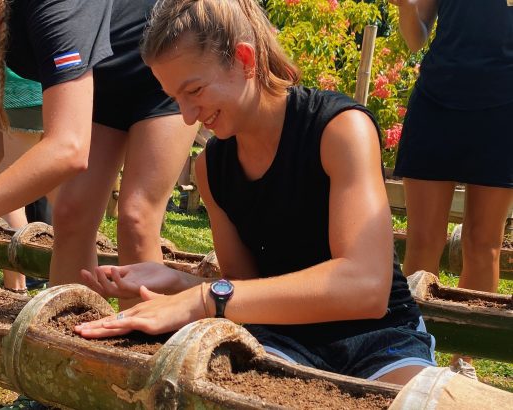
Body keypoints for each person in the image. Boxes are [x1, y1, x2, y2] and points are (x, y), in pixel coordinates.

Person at [75, 0, 436, 385]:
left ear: (245, 60)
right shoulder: (211, 169)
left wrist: (200, 299)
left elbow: (365, 287)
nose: (187, 116)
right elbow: (245, 294)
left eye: (194, 90)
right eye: (174, 98)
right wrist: (176, 282)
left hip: (381, 338)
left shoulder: (341, 129)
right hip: (284, 337)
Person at [0, 0, 196, 305]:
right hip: (102, 88)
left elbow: (67, 149)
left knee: (136, 219)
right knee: (71, 214)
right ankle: (67, 346)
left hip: (165, 74)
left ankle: (143, 345)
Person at [389, 0, 513, 370]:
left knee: (483, 243)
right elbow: (415, 39)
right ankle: (410, 349)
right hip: (437, 102)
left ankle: (463, 361)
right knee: (424, 239)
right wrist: (407, 8)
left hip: (503, 109)